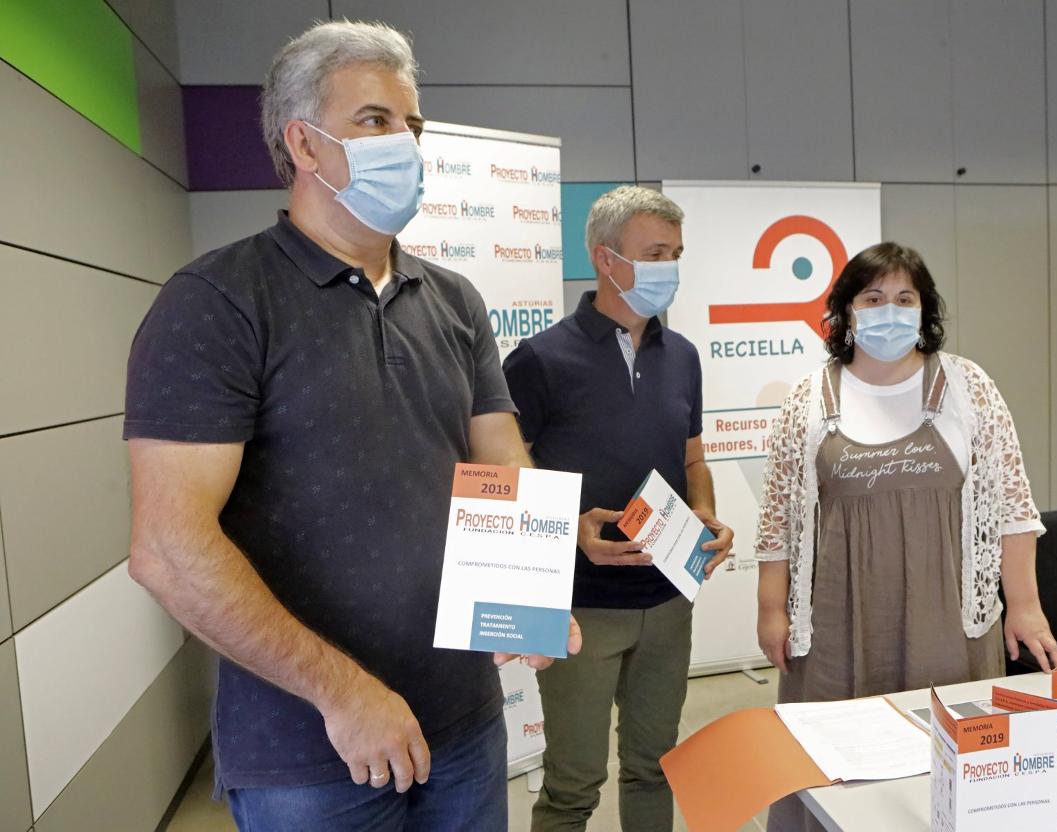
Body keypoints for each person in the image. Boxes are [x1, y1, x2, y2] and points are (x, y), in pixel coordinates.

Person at [124, 20, 575, 832]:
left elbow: (499, 454)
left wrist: (526, 584)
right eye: (375, 121)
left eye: (412, 125)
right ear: (304, 143)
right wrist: (344, 692)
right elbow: (167, 549)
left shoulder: (454, 299)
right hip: (311, 745)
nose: (405, 142)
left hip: (465, 722)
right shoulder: (218, 302)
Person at [754, 242, 1057, 831]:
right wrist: (772, 609)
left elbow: (1012, 507)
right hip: (837, 629)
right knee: (834, 772)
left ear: (925, 309)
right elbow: (779, 522)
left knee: (945, 769)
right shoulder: (808, 399)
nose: (888, 311)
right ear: (846, 312)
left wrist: (1024, 605)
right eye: (873, 298)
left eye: (904, 298)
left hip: (945, 623)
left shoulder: (969, 387)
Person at [502, 186, 734, 832]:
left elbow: (692, 461)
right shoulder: (540, 361)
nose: (670, 268)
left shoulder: (682, 357)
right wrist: (570, 530)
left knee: (655, 765)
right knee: (574, 785)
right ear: (606, 259)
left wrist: (707, 512)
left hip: (667, 599)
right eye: (655, 252)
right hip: (580, 608)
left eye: (677, 253)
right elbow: (504, 475)